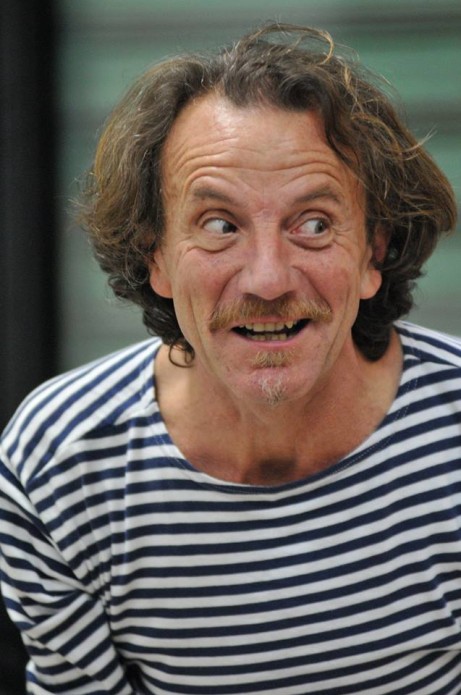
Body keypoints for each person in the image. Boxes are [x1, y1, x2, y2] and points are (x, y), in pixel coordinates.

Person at [0, 21, 460, 695]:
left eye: (313, 224)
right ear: (156, 256)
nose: (268, 279)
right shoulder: (61, 467)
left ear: (373, 251)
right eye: (220, 225)